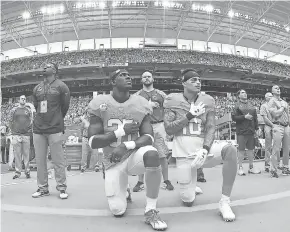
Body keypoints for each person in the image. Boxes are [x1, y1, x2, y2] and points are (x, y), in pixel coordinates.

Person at [87, 69, 167, 230]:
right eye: (122, 75)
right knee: (117, 210)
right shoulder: (100, 103)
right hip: (112, 160)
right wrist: (120, 132)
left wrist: (126, 145)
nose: (128, 77)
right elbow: (93, 142)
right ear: (113, 82)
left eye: (129, 75)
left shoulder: (140, 103)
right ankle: (125, 189)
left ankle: (151, 210)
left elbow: (149, 137)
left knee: (152, 153)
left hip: (133, 155)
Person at [163, 69, 237, 222]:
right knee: (188, 200)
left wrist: (205, 148)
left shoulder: (207, 100)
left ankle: (224, 201)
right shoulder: (172, 100)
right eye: (193, 80)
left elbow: (211, 127)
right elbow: (169, 129)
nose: (198, 82)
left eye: (199, 80)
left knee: (230, 150)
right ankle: (192, 184)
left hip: (202, 151)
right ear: (184, 82)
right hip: (184, 154)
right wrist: (189, 115)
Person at [31, 63, 70, 199]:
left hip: (55, 128)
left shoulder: (62, 86)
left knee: (58, 160)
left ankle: (62, 188)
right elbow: (36, 106)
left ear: (54, 70)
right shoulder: (37, 88)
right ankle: (43, 188)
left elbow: (65, 106)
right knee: (40, 161)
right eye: (43, 66)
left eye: (47, 66)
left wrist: (57, 118)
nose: (44, 68)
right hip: (38, 128)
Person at [132, 71, 174, 191]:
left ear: (153, 79)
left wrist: (167, 121)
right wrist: (147, 105)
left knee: (162, 155)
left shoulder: (161, 94)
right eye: (144, 77)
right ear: (141, 80)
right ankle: (140, 182)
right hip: (143, 127)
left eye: (148, 76)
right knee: (142, 154)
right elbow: (133, 110)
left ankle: (166, 180)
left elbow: (170, 107)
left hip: (158, 126)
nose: (146, 78)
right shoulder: (137, 96)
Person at [231, 89, 261, 176]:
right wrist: (245, 117)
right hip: (241, 131)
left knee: (251, 150)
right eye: (242, 93)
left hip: (251, 131)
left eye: (245, 92)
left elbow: (255, 117)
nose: (245, 94)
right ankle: (240, 167)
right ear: (238, 95)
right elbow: (234, 118)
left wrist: (257, 128)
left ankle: (251, 167)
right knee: (241, 150)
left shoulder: (251, 104)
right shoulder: (236, 105)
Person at [268, 85, 290, 177]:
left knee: (287, 148)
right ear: (272, 91)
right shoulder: (271, 101)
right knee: (276, 148)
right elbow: (275, 114)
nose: (278, 89)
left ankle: (285, 167)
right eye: (276, 88)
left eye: (279, 88)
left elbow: (288, 114)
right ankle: (273, 169)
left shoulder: (284, 102)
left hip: (286, 126)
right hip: (277, 125)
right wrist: (282, 108)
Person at [9, 95, 32, 179]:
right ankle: (18, 172)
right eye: (22, 99)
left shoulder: (28, 110)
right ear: (19, 100)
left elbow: (31, 120)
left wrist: (28, 130)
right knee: (17, 154)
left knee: (26, 154)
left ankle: (27, 171)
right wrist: (13, 131)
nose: (23, 100)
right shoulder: (14, 110)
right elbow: (10, 120)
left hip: (26, 135)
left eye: (25, 99)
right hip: (16, 135)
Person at [260, 92, 274, 172]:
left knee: (276, 146)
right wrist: (273, 125)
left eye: (272, 96)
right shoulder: (264, 106)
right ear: (266, 98)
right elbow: (265, 119)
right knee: (268, 147)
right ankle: (267, 166)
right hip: (268, 126)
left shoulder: (275, 106)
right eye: (270, 96)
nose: (271, 97)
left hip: (276, 126)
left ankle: (277, 164)